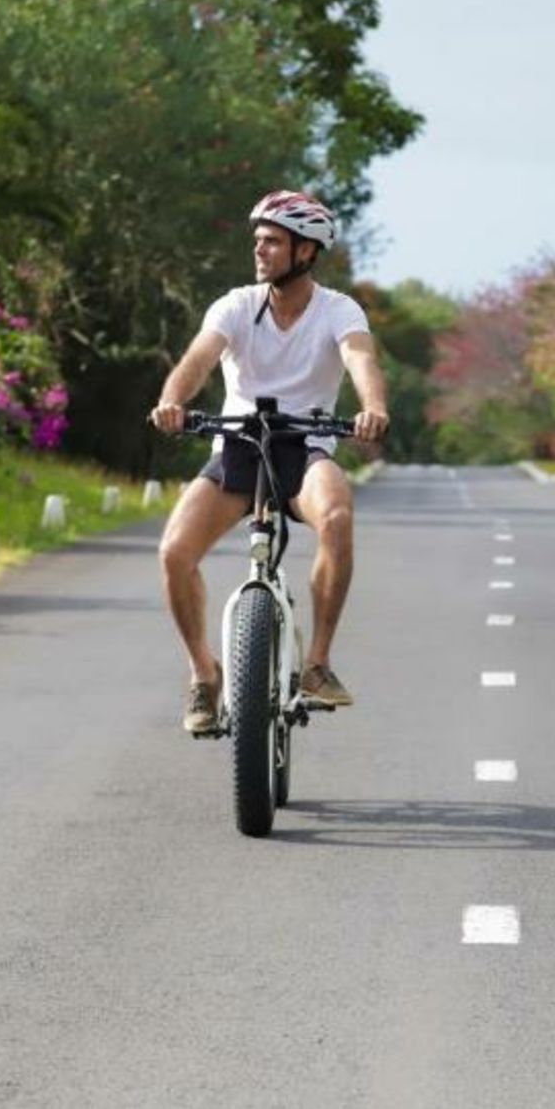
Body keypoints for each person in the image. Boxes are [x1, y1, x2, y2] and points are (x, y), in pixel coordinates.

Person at [149, 190, 389, 735]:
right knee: (174, 552)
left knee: (337, 517)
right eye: (258, 240)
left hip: (304, 446)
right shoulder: (236, 304)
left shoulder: (338, 309)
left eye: (273, 242)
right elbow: (198, 358)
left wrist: (373, 408)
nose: (260, 251)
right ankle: (203, 676)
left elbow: (360, 358)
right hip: (237, 446)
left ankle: (318, 665)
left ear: (305, 252)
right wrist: (173, 402)